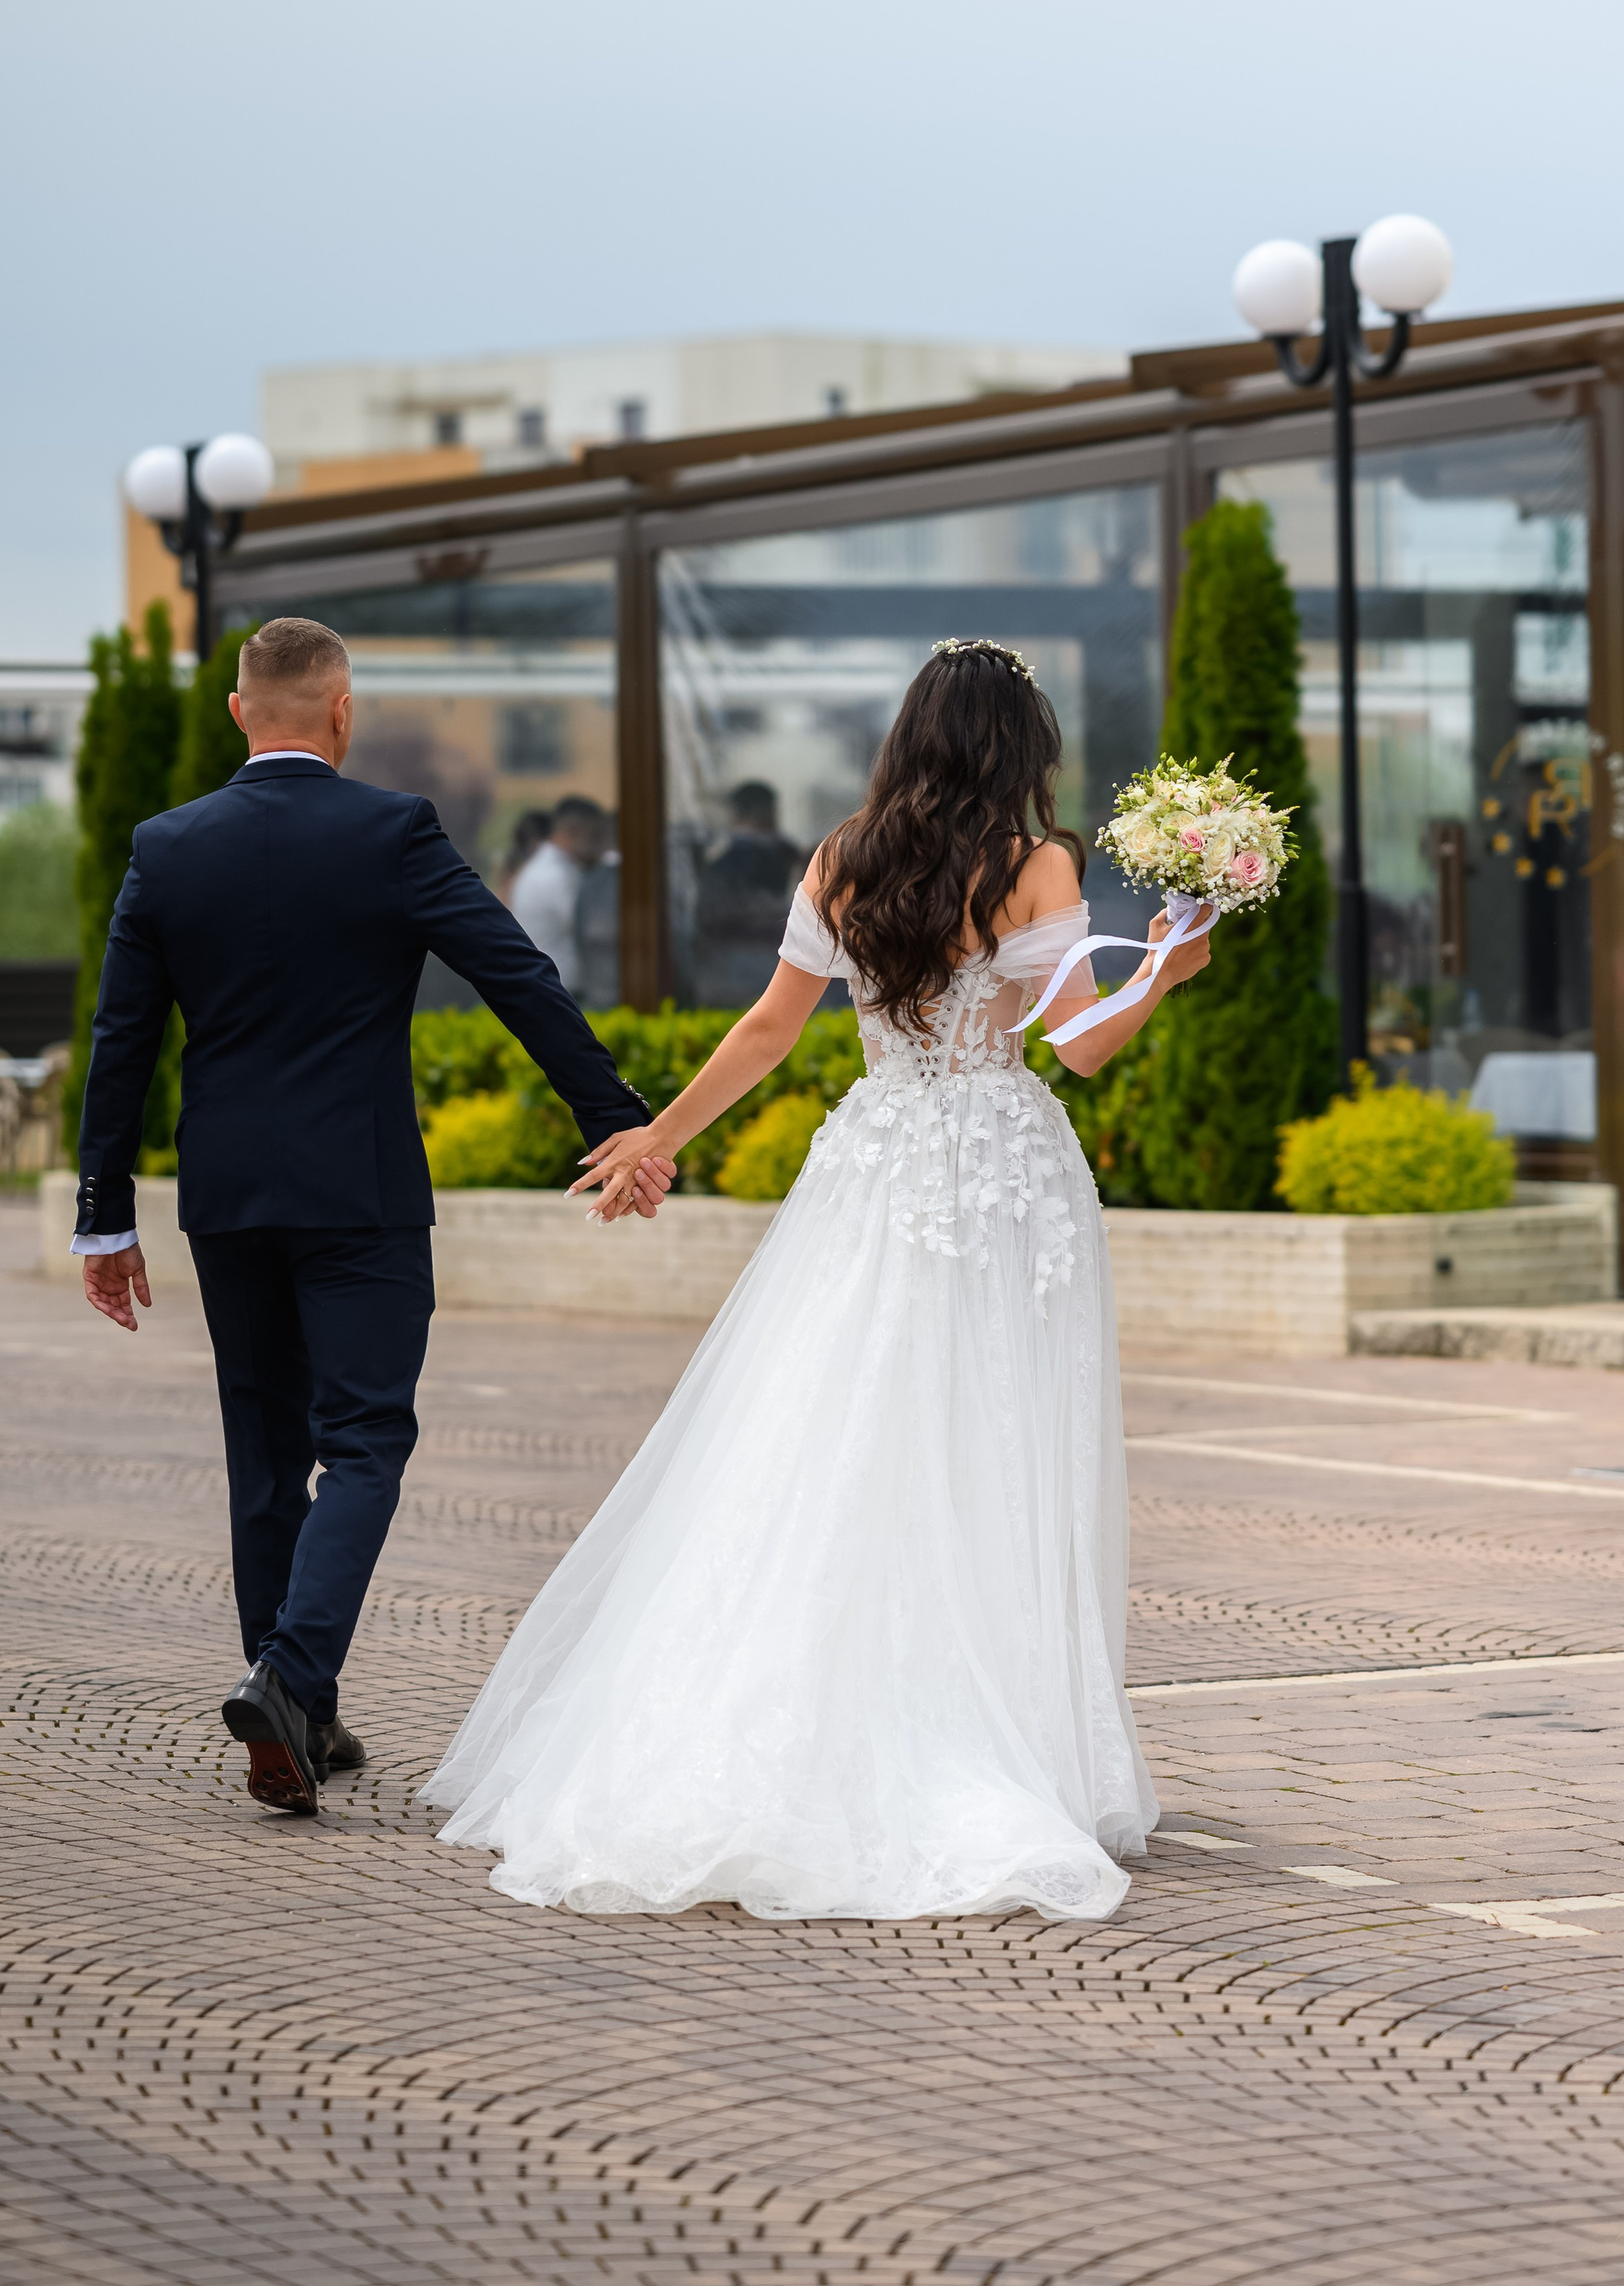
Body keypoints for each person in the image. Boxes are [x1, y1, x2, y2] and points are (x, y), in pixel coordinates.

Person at [423, 639, 1212, 1924]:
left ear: (911, 734)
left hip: (879, 1161)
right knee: (991, 1439)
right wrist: (1168, 968)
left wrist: (658, 1135)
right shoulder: (1034, 865)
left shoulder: (844, 858)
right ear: (1019, 749)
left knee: (832, 1425)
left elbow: (771, 1029)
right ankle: (984, 1733)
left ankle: (797, 1716)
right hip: (1001, 1171)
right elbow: (1082, 1047)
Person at [72, 619, 669, 1818]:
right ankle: (290, 1680)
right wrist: (619, 1118)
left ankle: (297, 1701)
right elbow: (518, 973)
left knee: (263, 1443)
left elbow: (122, 1038)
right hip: (360, 1192)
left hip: (229, 1196)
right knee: (364, 1438)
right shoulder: (393, 831)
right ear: (342, 712)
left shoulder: (168, 847)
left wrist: (104, 1214)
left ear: (244, 713)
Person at [694, 779, 807, 1003]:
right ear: (771, 813)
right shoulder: (791, 856)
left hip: (730, 974)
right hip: (782, 968)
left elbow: (706, 919)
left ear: (736, 814)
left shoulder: (723, 861)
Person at [507, 794, 608, 993]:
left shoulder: (547, 867)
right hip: (558, 988)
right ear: (572, 832)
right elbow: (593, 927)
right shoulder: (556, 875)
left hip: (547, 983)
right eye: (595, 836)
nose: (601, 845)